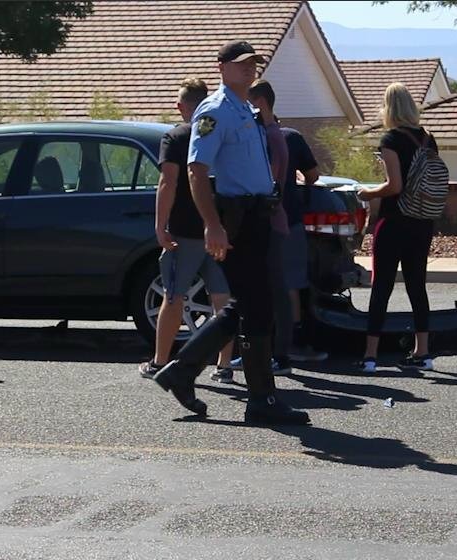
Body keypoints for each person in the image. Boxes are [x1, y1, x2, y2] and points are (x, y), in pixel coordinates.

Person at [150, 41, 309, 425]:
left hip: (257, 217)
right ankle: (261, 399)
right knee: (257, 309)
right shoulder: (216, 110)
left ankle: (182, 371)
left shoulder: (247, 111)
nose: (249, 70)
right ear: (221, 68)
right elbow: (196, 170)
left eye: (253, 64)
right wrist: (213, 224)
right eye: (241, 65)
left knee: (251, 305)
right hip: (237, 219)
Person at [137, 78, 234, 381]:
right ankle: (224, 365)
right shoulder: (221, 134)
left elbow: (168, 182)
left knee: (174, 294)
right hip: (219, 228)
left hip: (185, 230)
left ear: (181, 106)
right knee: (223, 297)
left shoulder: (177, 137)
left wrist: (160, 225)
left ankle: (159, 360)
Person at [245, 80, 327, 373]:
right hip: (288, 218)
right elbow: (314, 176)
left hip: (256, 221)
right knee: (289, 284)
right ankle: (290, 342)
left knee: (259, 284)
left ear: (259, 104)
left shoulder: (250, 139)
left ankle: (261, 344)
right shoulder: (291, 137)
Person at [355, 82, 436, 373]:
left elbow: (395, 186)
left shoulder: (390, 140)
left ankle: (370, 356)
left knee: (382, 287)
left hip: (394, 223)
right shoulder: (428, 139)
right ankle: (423, 352)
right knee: (417, 285)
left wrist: (368, 193)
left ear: (388, 108)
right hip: (422, 221)